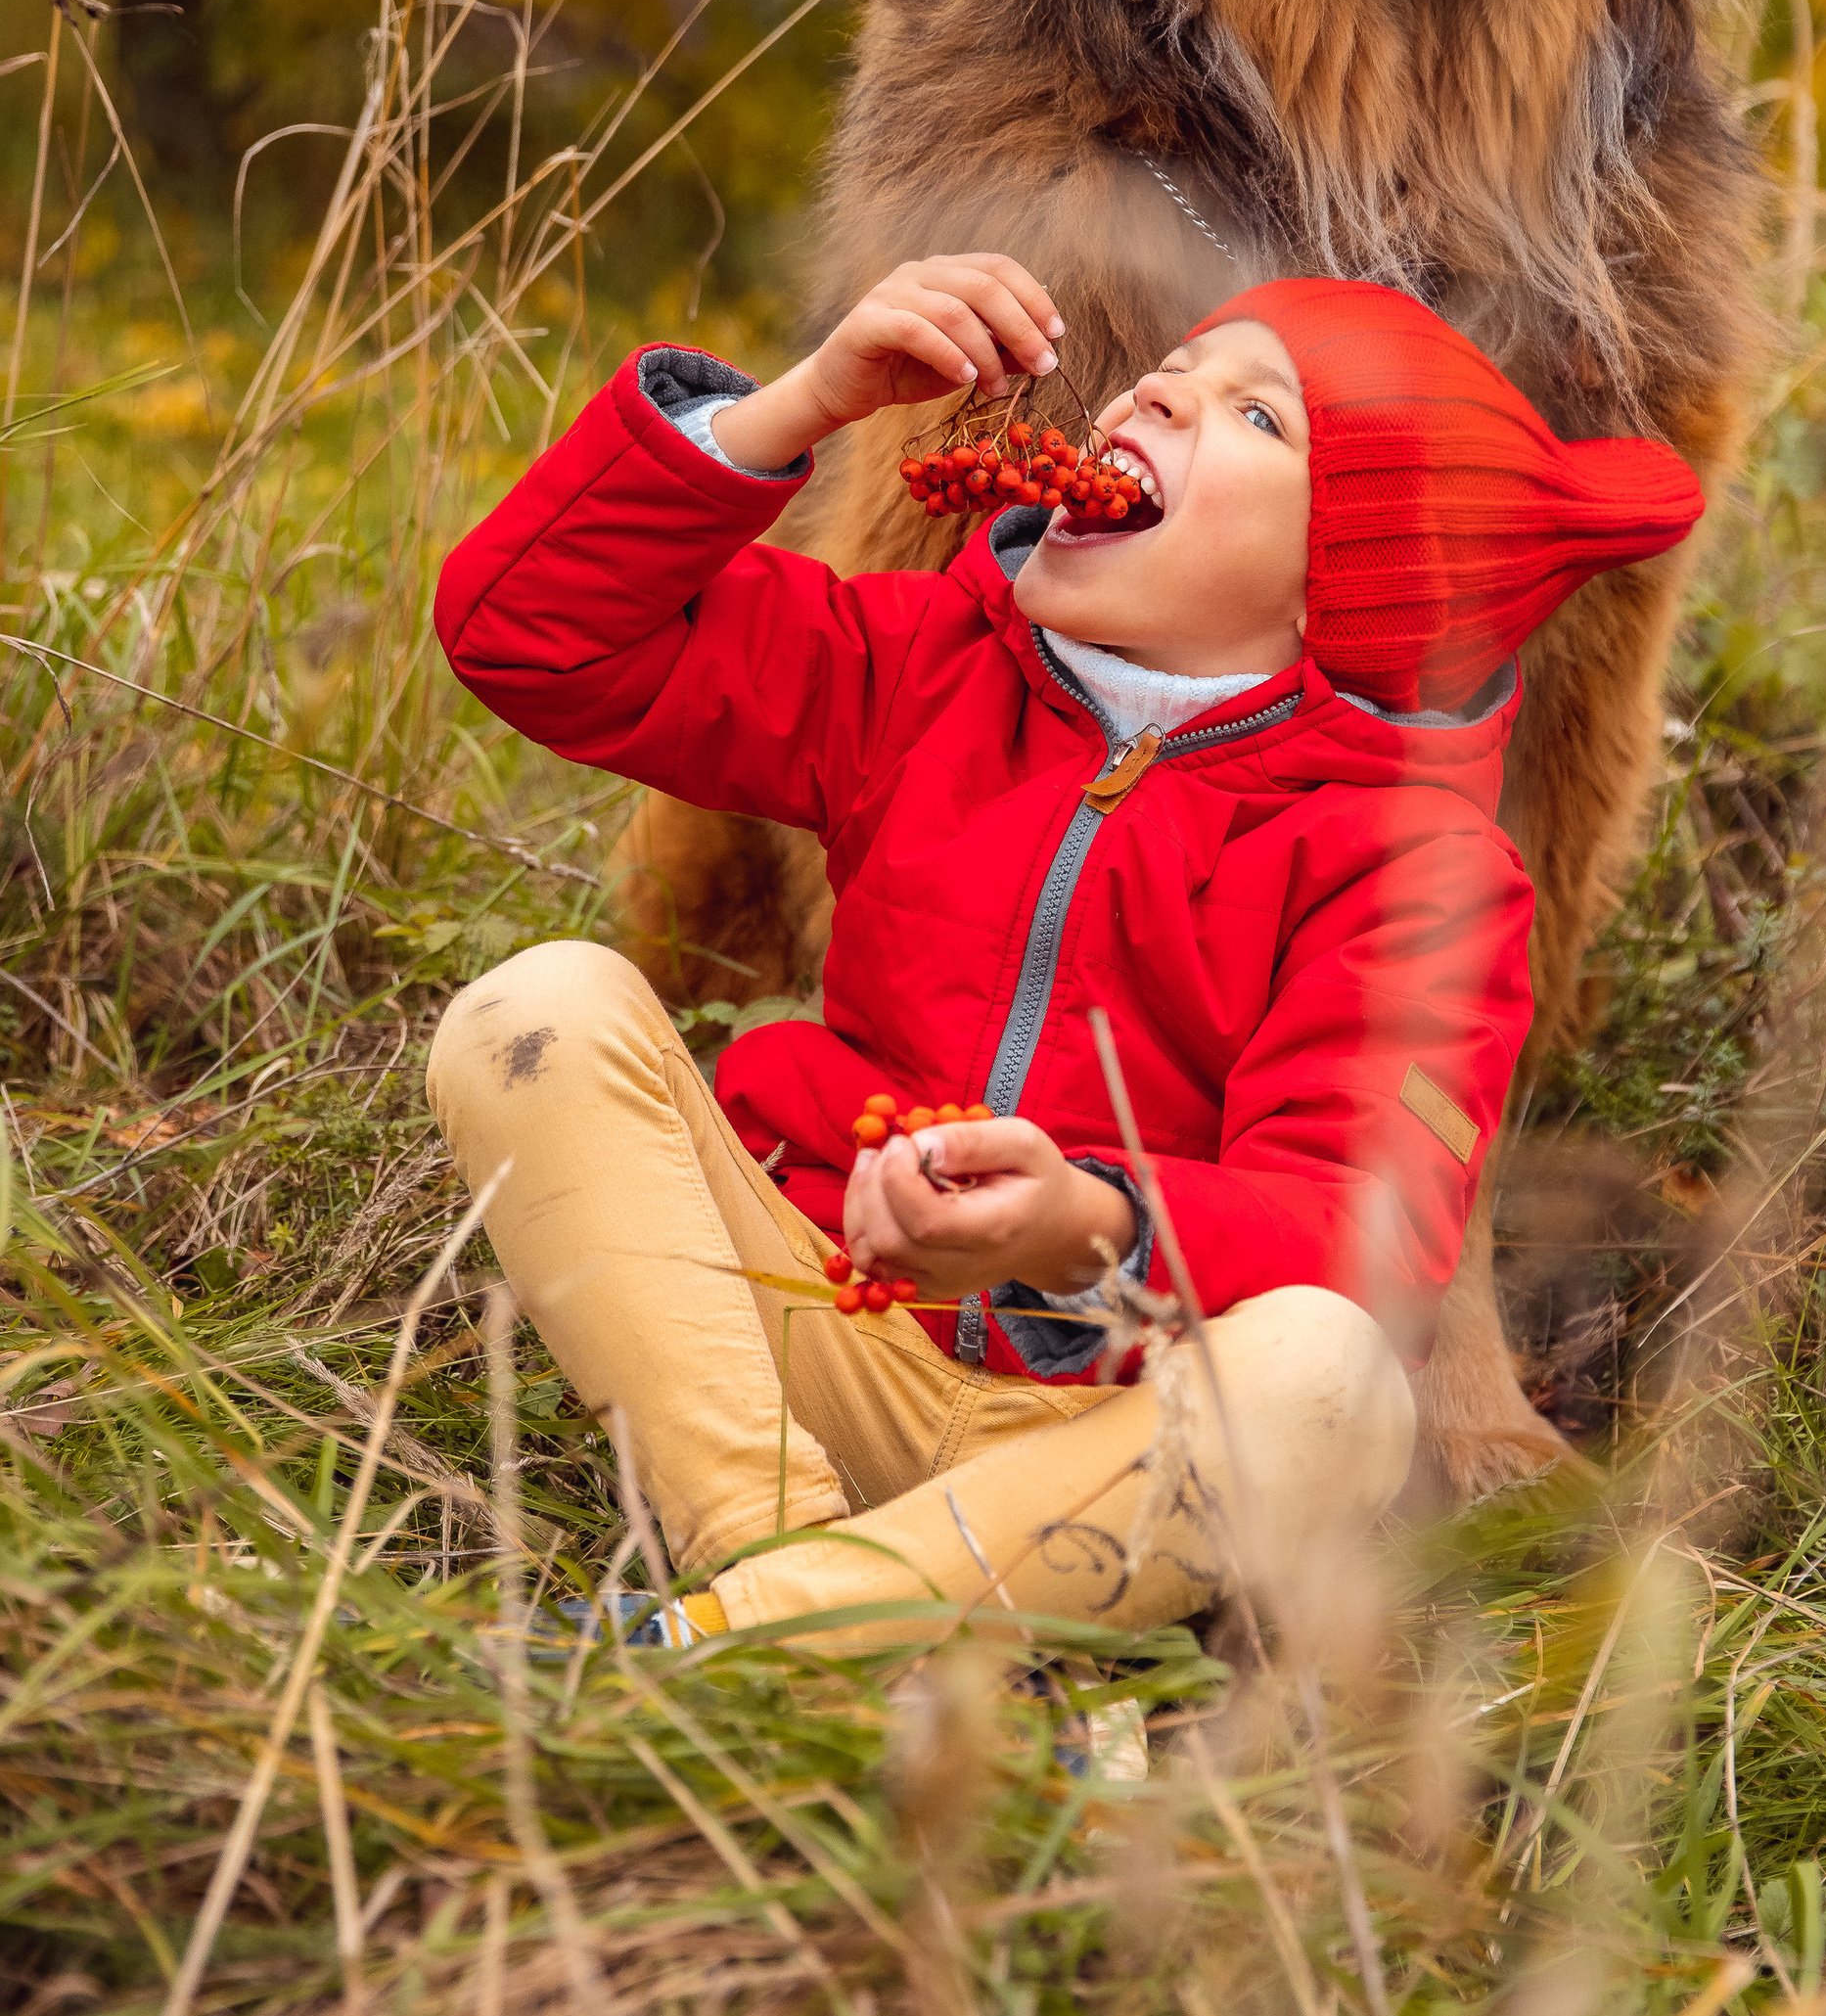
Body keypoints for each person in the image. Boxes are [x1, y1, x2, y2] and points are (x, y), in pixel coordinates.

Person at [427, 255, 1703, 1656]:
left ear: (1348, 580)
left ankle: (746, 1637)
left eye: (1257, 415)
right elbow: (529, 639)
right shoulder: (924, 667)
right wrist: (798, 410)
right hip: (826, 1325)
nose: (1155, 388)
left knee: (1336, 1378)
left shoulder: (1418, 871)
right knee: (538, 1012)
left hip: (1121, 1425)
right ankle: (785, 1593)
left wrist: (1091, 1223)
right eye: (1178, 372)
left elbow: (1357, 1229)